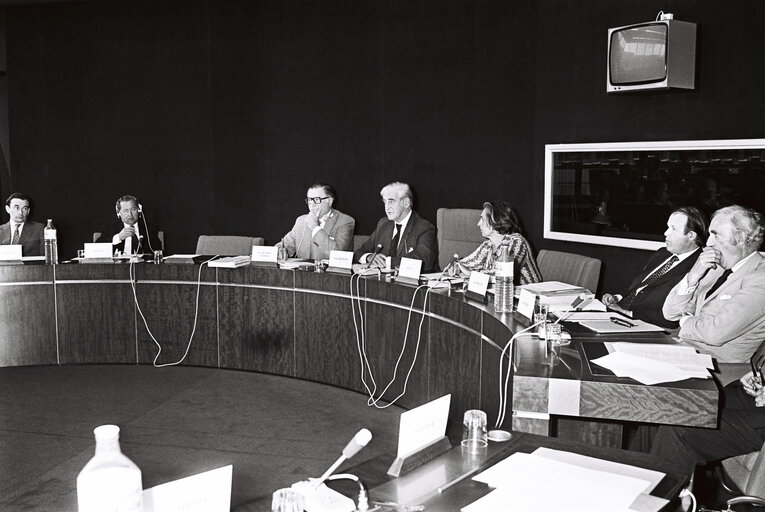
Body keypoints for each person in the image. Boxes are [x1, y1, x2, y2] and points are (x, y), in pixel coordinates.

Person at [662, 205, 765, 363]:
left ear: (741, 239)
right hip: (684, 351)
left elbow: (713, 333)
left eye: (715, 235)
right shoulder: (716, 267)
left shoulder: (760, 278)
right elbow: (669, 312)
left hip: (719, 368)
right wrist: (694, 275)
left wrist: (684, 320)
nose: (708, 243)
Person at [602, 206, 706, 328]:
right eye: (668, 227)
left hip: (644, 325)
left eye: (673, 229)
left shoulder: (699, 267)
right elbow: (640, 286)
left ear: (691, 235)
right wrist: (617, 298)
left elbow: (673, 316)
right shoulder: (663, 253)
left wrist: (627, 313)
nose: (666, 233)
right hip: (618, 314)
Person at [649, 368, 765, 474]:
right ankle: (635, 481)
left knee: (682, 423)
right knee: (665, 406)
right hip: (754, 397)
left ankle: (653, 493)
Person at [354, 182, 437, 272]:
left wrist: (388, 262)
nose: (387, 207)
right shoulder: (383, 224)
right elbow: (359, 252)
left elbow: (423, 261)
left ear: (406, 203)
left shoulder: (425, 227)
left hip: (413, 283)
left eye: (391, 202)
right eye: (385, 202)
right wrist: (369, 257)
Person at [454, 201, 542, 285]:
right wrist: (456, 266)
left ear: (495, 221)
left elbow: (501, 274)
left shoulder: (517, 242)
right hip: (500, 296)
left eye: (482, 219)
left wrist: (471, 274)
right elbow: (466, 263)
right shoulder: (488, 245)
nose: (478, 224)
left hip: (528, 297)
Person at [277, 183, 355, 260]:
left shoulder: (345, 221)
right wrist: (280, 250)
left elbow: (337, 254)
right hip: (302, 271)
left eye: (317, 199)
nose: (312, 205)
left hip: (329, 272)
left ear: (330, 201)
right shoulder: (301, 221)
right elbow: (284, 245)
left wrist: (315, 227)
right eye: (310, 199)